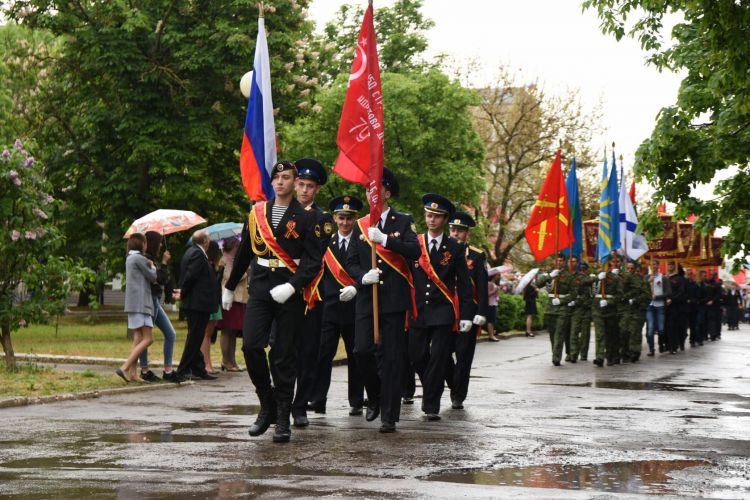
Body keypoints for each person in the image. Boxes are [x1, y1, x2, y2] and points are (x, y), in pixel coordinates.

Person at [223, 160, 322, 443]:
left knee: (282, 354)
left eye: (286, 177)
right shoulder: (257, 213)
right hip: (261, 286)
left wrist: (293, 286)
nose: (280, 182)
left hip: (288, 292)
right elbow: (244, 252)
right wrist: (229, 287)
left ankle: (282, 417)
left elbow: (314, 261)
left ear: (294, 182)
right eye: (276, 177)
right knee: (251, 345)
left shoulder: (306, 217)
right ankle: (266, 403)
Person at [345, 168, 421, 433]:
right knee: (361, 351)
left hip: (393, 300)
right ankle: (375, 396)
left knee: (391, 358)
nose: (371, 194)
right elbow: (351, 261)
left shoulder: (403, 221)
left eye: (376, 190)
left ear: (387, 193)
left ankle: (389, 416)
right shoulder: (359, 225)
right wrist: (363, 276)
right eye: (368, 190)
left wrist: (386, 239)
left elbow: (415, 250)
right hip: (368, 298)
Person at [408, 194, 472, 420]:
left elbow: (463, 284)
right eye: (428, 215)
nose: (431, 219)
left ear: (445, 219)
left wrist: (466, 315)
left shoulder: (453, 247)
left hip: (443, 311)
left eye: (436, 216)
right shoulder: (415, 243)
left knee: (438, 357)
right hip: (418, 310)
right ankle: (433, 386)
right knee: (417, 356)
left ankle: (431, 404)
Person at [308, 195, 366, 416]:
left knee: (356, 355)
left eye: (349, 218)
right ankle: (318, 398)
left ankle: (357, 401)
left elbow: (368, 274)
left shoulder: (363, 244)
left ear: (355, 219)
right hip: (329, 308)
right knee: (323, 355)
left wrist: (358, 288)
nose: (344, 222)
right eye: (341, 218)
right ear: (334, 218)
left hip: (355, 308)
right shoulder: (326, 243)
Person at [291, 158, 334, 427]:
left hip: (311, 295)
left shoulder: (323, 220)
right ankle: (282, 401)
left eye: (310, 186)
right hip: (282, 294)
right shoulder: (282, 213)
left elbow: (319, 256)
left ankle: (300, 406)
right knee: (283, 351)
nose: (305, 190)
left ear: (317, 189)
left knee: (308, 353)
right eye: (301, 184)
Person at [445, 210, 487, 410]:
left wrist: (481, 311)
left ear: (466, 233)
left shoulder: (477, 256)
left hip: (467, 312)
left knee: (463, 355)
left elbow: (482, 286)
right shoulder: (441, 252)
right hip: (445, 311)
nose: (455, 233)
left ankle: (458, 396)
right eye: (453, 229)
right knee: (442, 353)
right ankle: (454, 383)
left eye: (460, 230)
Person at [176, 229, 220, 382]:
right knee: (194, 337)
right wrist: (183, 292)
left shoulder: (192, 252)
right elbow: (190, 276)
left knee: (197, 336)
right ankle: (182, 370)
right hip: (197, 303)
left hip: (197, 303)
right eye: (209, 240)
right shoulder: (197, 254)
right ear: (205, 242)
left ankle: (198, 368)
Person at [137, 231, 178, 383]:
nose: (161, 244)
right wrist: (165, 262)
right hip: (150, 301)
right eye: (159, 242)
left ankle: (168, 370)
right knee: (146, 337)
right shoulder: (146, 259)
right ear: (154, 243)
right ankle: (145, 370)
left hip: (155, 301)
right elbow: (159, 279)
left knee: (170, 334)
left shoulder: (152, 259)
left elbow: (164, 279)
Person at [117, 233, 157, 383]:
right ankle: (125, 367)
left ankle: (133, 373)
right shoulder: (139, 259)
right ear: (142, 244)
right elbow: (153, 277)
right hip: (141, 303)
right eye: (145, 243)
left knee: (138, 337)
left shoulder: (130, 258)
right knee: (149, 338)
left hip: (134, 303)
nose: (147, 245)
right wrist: (152, 266)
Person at [537, 254, 578, 366]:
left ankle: (556, 357)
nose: (559, 263)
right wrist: (549, 276)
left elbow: (574, 294)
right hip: (550, 308)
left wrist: (562, 301)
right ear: (553, 262)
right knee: (552, 334)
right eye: (557, 261)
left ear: (564, 262)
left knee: (559, 333)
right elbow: (538, 284)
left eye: (561, 261)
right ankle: (555, 352)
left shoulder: (568, 276)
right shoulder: (548, 274)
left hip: (562, 309)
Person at [216, 237, 247, 372]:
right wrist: (243, 273)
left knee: (233, 332)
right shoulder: (224, 259)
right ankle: (225, 360)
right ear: (233, 246)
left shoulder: (234, 260)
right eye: (238, 246)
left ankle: (232, 361)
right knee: (227, 330)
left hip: (239, 299)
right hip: (230, 299)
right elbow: (228, 278)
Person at [592, 260, 622, 367]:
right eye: (601, 264)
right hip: (597, 310)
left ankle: (610, 356)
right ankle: (599, 357)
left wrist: (609, 302)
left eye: (605, 264)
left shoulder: (615, 278)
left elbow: (619, 295)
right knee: (599, 334)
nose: (602, 266)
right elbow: (584, 283)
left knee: (610, 335)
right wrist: (597, 278)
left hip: (610, 311)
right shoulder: (595, 276)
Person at [199, 240, 223, 374]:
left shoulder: (215, 267)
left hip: (215, 302)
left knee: (208, 334)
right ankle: (206, 364)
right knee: (206, 335)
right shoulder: (208, 265)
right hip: (210, 302)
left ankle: (208, 363)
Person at [646, 259, 671, 356]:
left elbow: (668, 292)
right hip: (650, 306)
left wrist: (658, 296)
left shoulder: (663, 278)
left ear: (658, 265)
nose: (652, 266)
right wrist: (648, 282)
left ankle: (662, 344)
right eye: (651, 264)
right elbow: (641, 289)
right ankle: (651, 349)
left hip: (660, 305)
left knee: (661, 329)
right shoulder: (647, 277)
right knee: (650, 329)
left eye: (654, 264)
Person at [665, 262, 687, 354]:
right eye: (668, 264)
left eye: (671, 265)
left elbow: (681, 292)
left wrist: (672, 299)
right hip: (665, 305)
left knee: (674, 326)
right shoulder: (665, 277)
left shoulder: (679, 279)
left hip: (676, 306)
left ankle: (674, 346)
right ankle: (667, 345)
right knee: (666, 327)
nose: (669, 266)